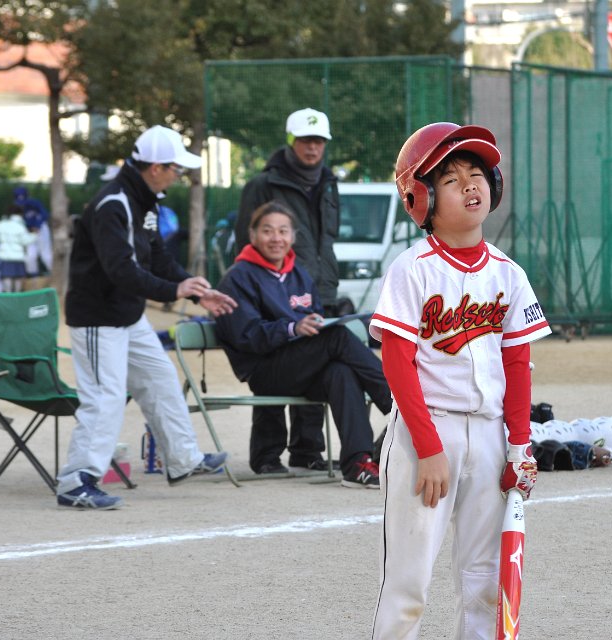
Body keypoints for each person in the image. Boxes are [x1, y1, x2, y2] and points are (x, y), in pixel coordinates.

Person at [369, 123, 551, 638]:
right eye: (450, 179)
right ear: (421, 198)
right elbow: (397, 364)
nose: (470, 185)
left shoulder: (509, 273)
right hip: (428, 433)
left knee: (485, 582)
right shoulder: (413, 269)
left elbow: (517, 365)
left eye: (477, 174)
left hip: (490, 434)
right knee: (408, 584)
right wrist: (428, 448)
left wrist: (519, 447)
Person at [56, 125, 237, 510]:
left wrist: (194, 288)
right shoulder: (113, 204)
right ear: (156, 167)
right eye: (176, 169)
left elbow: (157, 257)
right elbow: (120, 270)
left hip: (126, 314)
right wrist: (175, 290)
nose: (179, 175)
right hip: (97, 318)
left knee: (160, 377)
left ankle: (183, 459)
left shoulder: (146, 200)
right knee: (104, 396)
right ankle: (75, 481)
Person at [214, 200, 392, 485]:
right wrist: (291, 328)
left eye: (283, 231)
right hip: (264, 370)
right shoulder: (238, 278)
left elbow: (316, 321)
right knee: (337, 337)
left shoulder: (299, 274)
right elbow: (246, 335)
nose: (276, 238)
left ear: (293, 236)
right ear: (253, 235)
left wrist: (311, 326)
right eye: (267, 231)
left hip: (301, 367)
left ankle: (357, 462)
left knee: (341, 372)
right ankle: (396, 405)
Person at [235, 107, 341, 472]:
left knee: (315, 366)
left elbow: (326, 239)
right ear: (291, 141)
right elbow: (246, 241)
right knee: (275, 367)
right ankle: (266, 455)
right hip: (272, 288)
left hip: (319, 288)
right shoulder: (263, 185)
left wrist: (329, 281)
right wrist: (258, 288)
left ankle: (307, 450)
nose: (313, 148)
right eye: (306, 140)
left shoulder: (329, 181)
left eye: (319, 141)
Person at [0, 206, 34, 292]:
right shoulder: (20, 225)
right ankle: (16, 297)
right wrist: (35, 235)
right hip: (18, 257)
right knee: (18, 279)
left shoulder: (1, 224)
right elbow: (25, 241)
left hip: (4, 257)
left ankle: (8, 296)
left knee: (6, 278)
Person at [13, 186, 52, 277]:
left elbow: (45, 215)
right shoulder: (17, 207)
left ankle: (55, 273)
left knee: (46, 254)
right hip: (30, 232)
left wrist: (37, 226)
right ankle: (33, 277)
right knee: (30, 256)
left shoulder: (34, 203)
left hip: (41, 229)